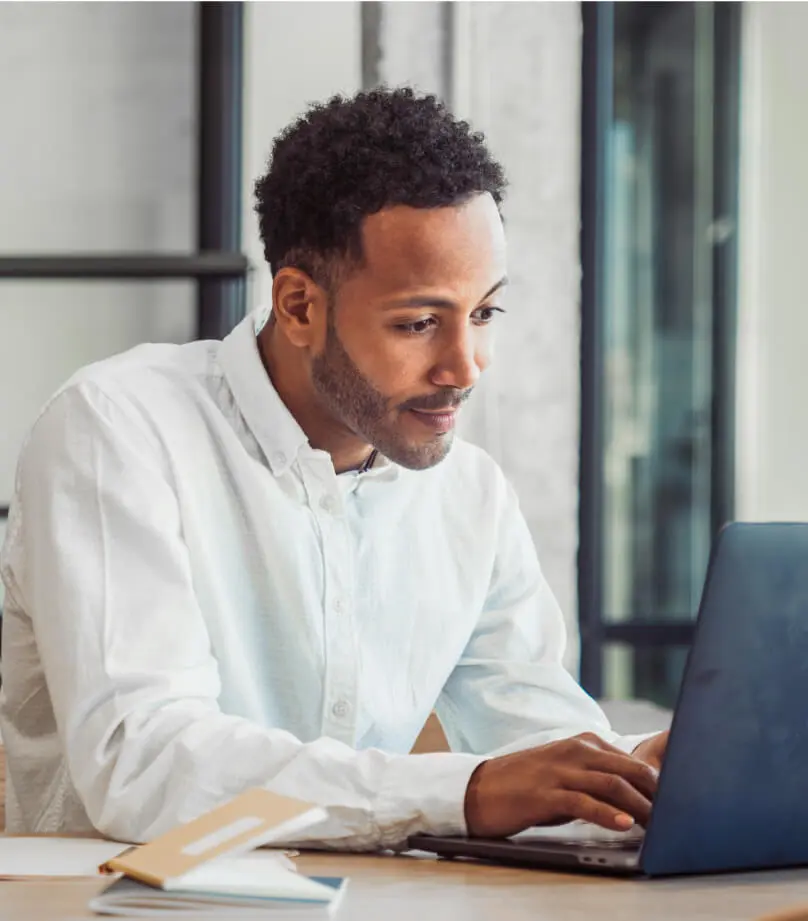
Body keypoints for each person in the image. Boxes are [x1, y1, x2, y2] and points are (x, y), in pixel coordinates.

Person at [0, 88, 666, 847]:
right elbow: (143, 761)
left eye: (484, 314)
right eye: (419, 323)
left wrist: (627, 778)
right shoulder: (116, 430)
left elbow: (539, 739)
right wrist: (467, 790)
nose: (466, 365)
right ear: (298, 306)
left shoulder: (469, 491)